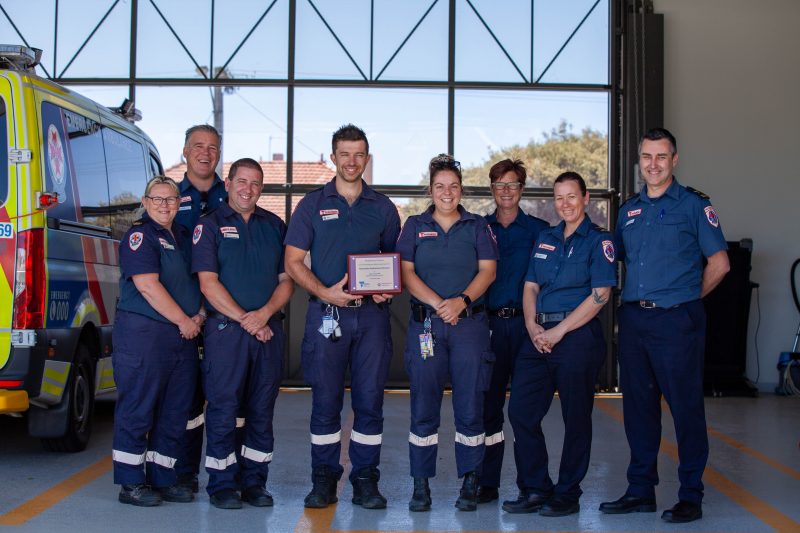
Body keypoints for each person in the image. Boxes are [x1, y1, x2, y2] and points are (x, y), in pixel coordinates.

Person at [600, 128, 729, 523]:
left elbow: (720, 264)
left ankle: (691, 494)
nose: (652, 164)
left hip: (677, 320)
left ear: (674, 160)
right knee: (638, 409)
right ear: (639, 162)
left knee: (685, 408)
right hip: (635, 320)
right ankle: (641, 490)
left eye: (661, 156)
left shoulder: (693, 206)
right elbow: (612, 261)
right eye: (646, 157)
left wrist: (687, 297)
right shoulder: (628, 212)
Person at [284, 124, 401, 510]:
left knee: (369, 402)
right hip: (327, 316)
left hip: (372, 319)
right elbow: (293, 261)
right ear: (333, 157)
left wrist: (387, 288)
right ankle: (324, 478)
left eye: (359, 154)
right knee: (325, 403)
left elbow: (392, 264)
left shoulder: (383, 208)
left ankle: (365, 480)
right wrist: (324, 292)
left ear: (367, 158)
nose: (352, 161)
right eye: (345, 154)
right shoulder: (312, 204)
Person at [504, 172, 616, 517]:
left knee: (576, 417)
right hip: (538, 335)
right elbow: (530, 286)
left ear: (585, 198)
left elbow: (600, 295)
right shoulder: (546, 237)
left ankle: (567, 493)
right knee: (521, 411)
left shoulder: (599, 241)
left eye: (572, 196)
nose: (565, 204)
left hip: (577, 336)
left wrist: (559, 331)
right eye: (559, 198)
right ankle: (536, 488)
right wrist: (531, 325)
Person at [395, 154, 498, 512]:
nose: (447, 192)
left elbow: (488, 271)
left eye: (453, 186)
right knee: (423, 406)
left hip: (468, 325)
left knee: (470, 406)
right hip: (427, 325)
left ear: (461, 190)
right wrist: (442, 303)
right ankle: (420, 486)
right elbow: (406, 273)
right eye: (440, 186)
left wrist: (462, 301)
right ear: (430, 189)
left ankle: (470, 482)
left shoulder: (477, 226)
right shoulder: (414, 226)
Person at [192, 158, 294, 509]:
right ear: (229, 182)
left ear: (261, 188)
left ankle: (255, 483)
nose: (248, 189)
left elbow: (286, 281)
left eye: (255, 183)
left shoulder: (275, 226)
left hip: (268, 332)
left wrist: (263, 315)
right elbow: (208, 283)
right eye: (242, 181)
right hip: (226, 333)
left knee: (261, 410)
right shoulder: (210, 226)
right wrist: (245, 319)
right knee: (223, 407)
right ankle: (222, 484)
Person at [112, 176, 203, 506]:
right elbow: (148, 286)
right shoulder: (141, 235)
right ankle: (131, 482)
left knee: (174, 410)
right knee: (139, 407)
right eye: (158, 199)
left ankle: (163, 478)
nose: (165, 205)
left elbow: (196, 282)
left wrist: (200, 315)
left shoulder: (181, 236)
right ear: (146, 201)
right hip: (146, 335)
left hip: (183, 337)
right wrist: (184, 320)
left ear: (180, 203)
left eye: (171, 199)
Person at [478, 159, 548, 504]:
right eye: (499, 185)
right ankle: (487, 483)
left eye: (513, 185)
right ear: (492, 189)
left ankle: (532, 485)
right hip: (488, 326)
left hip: (526, 327)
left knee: (524, 408)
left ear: (522, 189)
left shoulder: (539, 230)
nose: (506, 191)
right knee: (488, 407)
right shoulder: (477, 228)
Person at [173, 124, 227, 494]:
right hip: (183, 315)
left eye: (212, 147)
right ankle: (184, 473)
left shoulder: (235, 194)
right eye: (198, 146)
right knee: (185, 399)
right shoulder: (171, 198)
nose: (205, 153)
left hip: (224, 313)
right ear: (185, 152)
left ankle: (228, 478)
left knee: (226, 397)